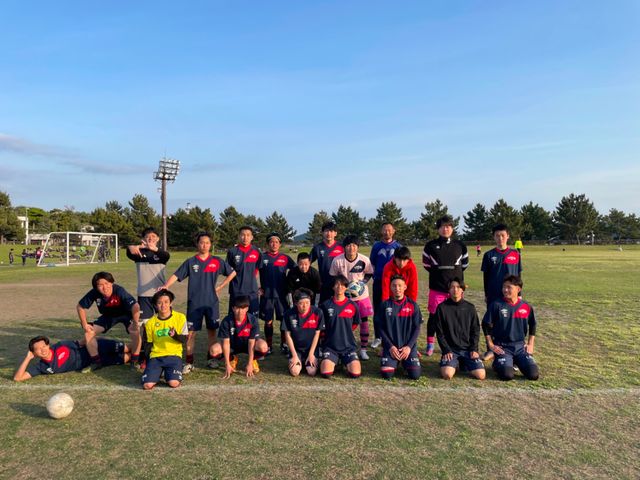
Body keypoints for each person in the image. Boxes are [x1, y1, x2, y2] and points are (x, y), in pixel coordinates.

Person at [162, 231, 236, 373]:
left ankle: (212, 359)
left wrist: (221, 286)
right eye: (202, 242)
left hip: (211, 303)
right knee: (191, 333)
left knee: (212, 332)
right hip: (194, 303)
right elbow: (177, 275)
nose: (204, 245)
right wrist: (166, 286)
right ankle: (189, 362)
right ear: (197, 244)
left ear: (210, 245)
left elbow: (232, 273)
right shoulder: (191, 262)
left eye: (207, 243)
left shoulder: (217, 261)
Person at [422, 215, 469, 356]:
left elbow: (464, 265)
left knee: (457, 316)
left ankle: (457, 343)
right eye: (442, 226)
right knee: (434, 316)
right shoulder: (430, 246)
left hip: (456, 289)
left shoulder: (460, 245)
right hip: (437, 288)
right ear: (438, 229)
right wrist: (440, 275)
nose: (445, 229)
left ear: (452, 228)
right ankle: (430, 344)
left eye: (448, 226)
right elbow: (426, 265)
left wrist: (454, 278)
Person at [126, 227, 170, 368]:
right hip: (144, 296)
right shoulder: (139, 253)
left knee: (163, 324)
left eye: (153, 236)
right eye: (147, 236)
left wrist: (153, 249)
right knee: (146, 327)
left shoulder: (161, 254)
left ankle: (163, 353)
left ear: (158, 239)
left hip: (160, 295)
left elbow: (166, 255)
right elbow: (129, 251)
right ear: (143, 239)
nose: (150, 238)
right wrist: (134, 247)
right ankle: (145, 356)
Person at [76, 271, 141, 368]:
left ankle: (135, 360)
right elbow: (80, 307)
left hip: (126, 314)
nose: (105, 287)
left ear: (112, 283)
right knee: (88, 333)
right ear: (96, 287)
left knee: (135, 332)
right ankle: (96, 362)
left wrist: (135, 323)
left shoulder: (119, 291)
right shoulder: (94, 292)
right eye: (100, 285)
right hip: (108, 315)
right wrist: (84, 324)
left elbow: (135, 306)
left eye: (107, 283)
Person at [482, 275, 539, 381]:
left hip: (520, 347)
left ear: (518, 289)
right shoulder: (496, 305)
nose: (505, 290)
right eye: (504, 287)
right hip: (503, 347)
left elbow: (533, 324)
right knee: (507, 375)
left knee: (533, 375)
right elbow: (485, 324)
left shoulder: (526, 306)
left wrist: (530, 344)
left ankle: (515, 360)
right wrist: (491, 345)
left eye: (509, 287)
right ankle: (498, 363)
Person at [481, 224, 523, 361]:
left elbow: (519, 275)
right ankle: (491, 349)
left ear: (508, 236)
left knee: (510, 321)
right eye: (497, 235)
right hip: (494, 294)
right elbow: (486, 277)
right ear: (493, 237)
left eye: (503, 235)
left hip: (511, 295)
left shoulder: (515, 254)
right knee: (491, 322)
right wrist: (486, 294)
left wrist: (519, 294)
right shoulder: (489, 255)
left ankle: (510, 350)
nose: (500, 238)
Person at [329, 235, 374, 360]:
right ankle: (346, 345)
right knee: (345, 322)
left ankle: (363, 349)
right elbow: (333, 276)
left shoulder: (364, 260)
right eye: (348, 245)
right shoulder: (337, 260)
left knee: (364, 321)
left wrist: (362, 283)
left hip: (361, 296)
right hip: (344, 297)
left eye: (354, 245)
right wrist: (343, 286)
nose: (351, 248)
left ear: (358, 247)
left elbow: (369, 273)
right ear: (344, 247)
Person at [14, 335, 129, 381]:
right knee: (125, 358)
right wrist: (28, 358)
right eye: (38, 349)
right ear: (34, 353)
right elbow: (17, 378)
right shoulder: (42, 367)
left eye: (44, 346)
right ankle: (138, 358)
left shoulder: (60, 345)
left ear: (48, 345)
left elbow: (82, 342)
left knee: (128, 348)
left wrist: (95, 338)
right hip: (95, 361)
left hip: (96, 348)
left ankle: (139, 352)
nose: (43, 350)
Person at [434, 279, 485, 380]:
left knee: (481, 375)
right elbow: (440, 333)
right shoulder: (442, 308)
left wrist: (474, 349)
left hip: (467, 350)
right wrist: (446, 350)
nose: (455, 290)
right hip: (451, 350)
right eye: (452, 287)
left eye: (458, 287)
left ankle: (462, 362)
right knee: (447, 375)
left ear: (462, 289)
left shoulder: (470, 308)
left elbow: (475, 330)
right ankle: (453, 363)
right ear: (449, 290)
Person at [210, 295, 269, 379]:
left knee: (263, 346)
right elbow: (226, 343)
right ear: (233, 308)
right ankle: (232, 359)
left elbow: (251, 342)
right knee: (214, 350)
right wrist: (227, 364)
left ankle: (253, 361)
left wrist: (249, 363)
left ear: (247, 308)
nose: (240, 311)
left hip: (247, 345)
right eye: (237, 308)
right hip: (232, 346)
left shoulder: (252, 320)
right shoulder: (227, 321)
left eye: (243, 308)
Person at [377, 275, 422, 380]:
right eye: (394, 286)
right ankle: (394, 361)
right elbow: (381, 328)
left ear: (405, 287)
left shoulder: (413, 305)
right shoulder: (384, 305)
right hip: (391, 347)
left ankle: (407, 361)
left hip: (407, 347)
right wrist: (390, 347)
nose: (397, 288)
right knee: (387, 374)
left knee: (415, 375)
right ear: (390, 287)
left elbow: (417, 328)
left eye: (400, 286)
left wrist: (409, 347)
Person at [141, 290, 188, 390]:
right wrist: (149, 363)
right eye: (159, 303)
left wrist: (175, 335)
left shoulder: (180, 317)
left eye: (166, 302)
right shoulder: (150, 323)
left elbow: (184, 340)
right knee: (147, 385)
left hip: (174, 356)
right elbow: (148, 345)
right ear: (155, 305)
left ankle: (168, 371)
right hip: (156, 357)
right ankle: (158, 372)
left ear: (171, 303)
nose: (163, 305)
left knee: (174, 383)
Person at [258, 232, 295, 353]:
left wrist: (291, 285)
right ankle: (269, 346)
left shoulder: (285, 258)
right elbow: (253, 272)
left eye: (276, 242)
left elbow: (296, 270)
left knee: (284, 320)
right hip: (267, 295)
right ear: (268, 244)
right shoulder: (262, 257)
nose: (274, 244)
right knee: (268, 320)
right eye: (271, 242)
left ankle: (284, 344)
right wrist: (257, 287)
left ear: (280, 244)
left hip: (282, 295)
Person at [319, 276, 362, 378]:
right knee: (325, 373)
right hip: (331, 347)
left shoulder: (353, 305)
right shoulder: (325, 305)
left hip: (348, 347)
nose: (339, 287)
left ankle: (344, 361)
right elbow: (321, 326)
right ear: (333, 287)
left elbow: (355, 323)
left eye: (343, 285)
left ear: (346, 287)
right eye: (337, 284)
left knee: (355, 373)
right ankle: (334, 360)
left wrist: (345, 331)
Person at [369, 222, 402, 349]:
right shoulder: (376, 246)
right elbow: (372, 264)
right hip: (379, 283)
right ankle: (378, 337)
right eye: (384, 230)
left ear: (394, 231)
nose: (387, 232)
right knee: (378, 309)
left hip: (394, 284)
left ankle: (392, 336)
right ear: (381, 231)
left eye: (389, 230)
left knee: (393, 309)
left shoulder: (398, 247)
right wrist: (375, 276)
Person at [282, 288, 324, 376]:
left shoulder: (318, 312)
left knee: (311, 372)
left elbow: (317, 334)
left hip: (311, 349)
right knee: (295, 372)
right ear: (296, 303)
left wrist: (311, 354)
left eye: (307, 303)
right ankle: (298, 361)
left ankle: (310, 360)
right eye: (301, 303)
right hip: (297, 350)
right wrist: (294, 355)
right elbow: (287, 335)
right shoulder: (288, 314)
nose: (305, 306)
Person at [226, 226, 263, 317]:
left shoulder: (256, 251)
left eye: (248, 235)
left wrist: (252, 282)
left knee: (252, 318)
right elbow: (228, 271)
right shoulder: (232, 251)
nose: (245, 237)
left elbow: (257, 269)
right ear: (239, 236)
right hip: (236, 291)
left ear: (252, 237)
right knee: (235, 317)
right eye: (243, 235)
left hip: (252, 292)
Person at [310, 221, 344, 304]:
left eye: (331, 231)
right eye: (326, 231)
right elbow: (307, 263)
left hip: (339, 283)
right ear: (322, 233)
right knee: (325, 306)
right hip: (324, 284)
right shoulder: (318, 248)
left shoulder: (342, 247)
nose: (329, 234)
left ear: (335, 233)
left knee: (339, 305)